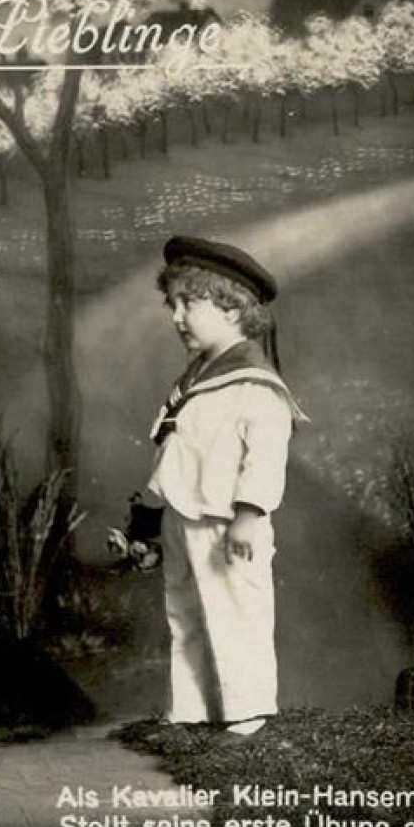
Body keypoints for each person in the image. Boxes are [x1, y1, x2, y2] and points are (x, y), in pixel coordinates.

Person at [138, 236, 304, 740]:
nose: (177, 316)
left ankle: (247, 712)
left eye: (190, 303)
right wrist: (146, 525)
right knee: (184, 614)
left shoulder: (255, 383)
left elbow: (266, 455)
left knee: (235, 614)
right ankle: (192, 708)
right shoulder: (194, 382)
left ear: (232, 307)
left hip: (229, 523)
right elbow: (173, 454)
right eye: (173, 304)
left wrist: (249, 514)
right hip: (182, 517)